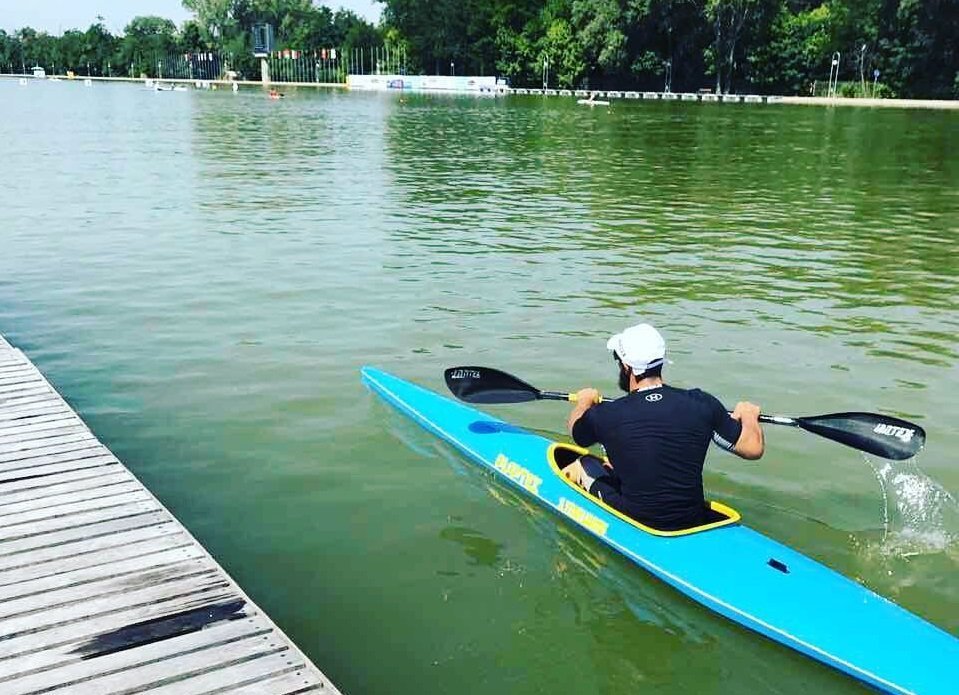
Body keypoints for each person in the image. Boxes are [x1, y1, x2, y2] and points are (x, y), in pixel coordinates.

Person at [563, 323, 764, 531]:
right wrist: (748, 416)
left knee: (584, 463)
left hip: (640, 521)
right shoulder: (702, 403)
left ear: (626, 367)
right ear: (661, 361)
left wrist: (584, 402)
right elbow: (753, 449)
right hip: (691, 519)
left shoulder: (607, 414)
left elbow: (576, 432)